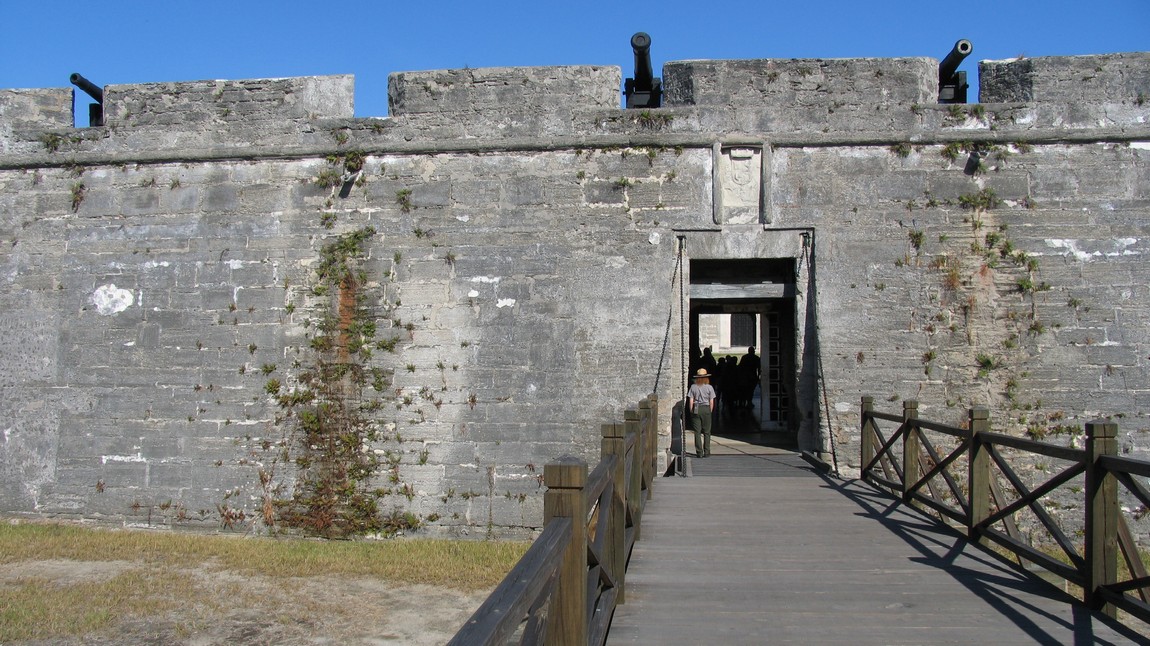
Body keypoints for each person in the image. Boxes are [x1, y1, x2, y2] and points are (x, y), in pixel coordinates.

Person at [687, 368, 717, 458]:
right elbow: (711, 401)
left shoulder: (693, 387)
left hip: (696, 408)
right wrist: (710, 411)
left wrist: (691, 410)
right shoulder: (709, 387)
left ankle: (699, 452)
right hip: (706, 408)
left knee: (697, 432)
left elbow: (691, 400)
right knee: (707, 431)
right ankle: (707, 451)